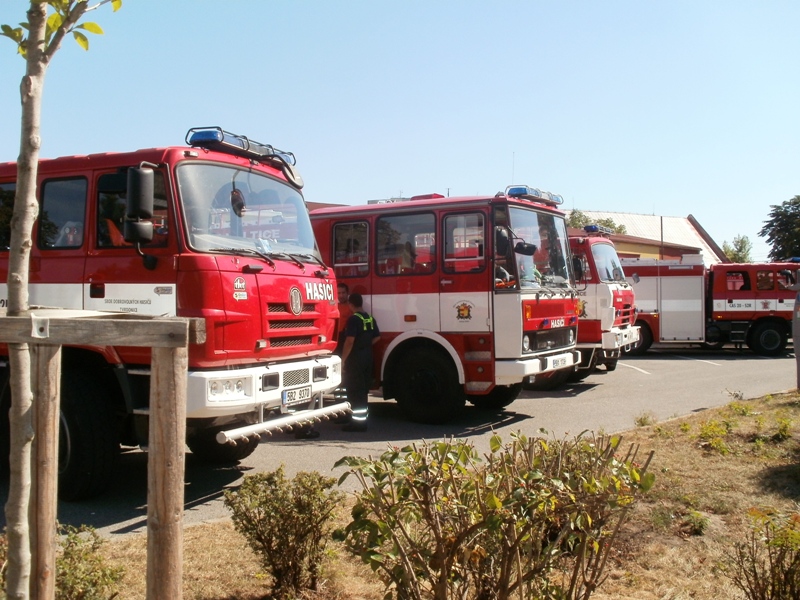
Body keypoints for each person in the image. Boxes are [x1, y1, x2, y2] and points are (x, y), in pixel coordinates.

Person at [340, 293, 380, 432]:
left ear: (350, 304)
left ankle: (357, 423)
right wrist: (365, 344)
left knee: (355, 390)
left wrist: (343, 360)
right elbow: (377, 337)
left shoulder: (353, 319)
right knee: (363, 390)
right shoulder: (369, 318)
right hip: (367, 356)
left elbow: (349, 341)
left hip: (355, 358)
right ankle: (361, 420)